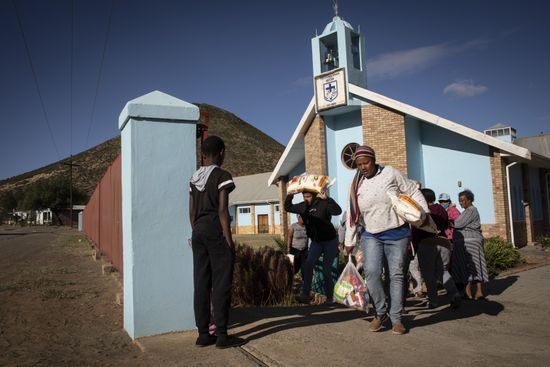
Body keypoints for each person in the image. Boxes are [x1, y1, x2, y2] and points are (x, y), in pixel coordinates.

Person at [344, 145, 428, 335]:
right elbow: (352, 212)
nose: (363, 167)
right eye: (359, 164)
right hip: (370, 234)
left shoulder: (390, 173)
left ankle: (396, 318)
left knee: (396, 275)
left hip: (396, 233)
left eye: (366, 162)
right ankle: (380, 312)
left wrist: (424, 212)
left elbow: (412, 190)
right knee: (372, 273)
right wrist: (349, 240)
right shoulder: (357, 183)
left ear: (374, 160)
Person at [189, 136, 245, 349]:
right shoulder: (222, 175)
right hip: (215, 229)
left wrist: (196, 231)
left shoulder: (195, 177)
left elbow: (191, 211)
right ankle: (222, 335)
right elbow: (222, 210)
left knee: (201, 282)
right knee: (221, 283)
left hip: (198, 231)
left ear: (203, 154)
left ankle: (203, 334)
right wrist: (228, 241)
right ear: (221, 151)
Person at [285, 188, 342, 304]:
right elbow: (288, 207)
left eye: (309, 197)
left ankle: (330, 298)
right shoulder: (302, 206)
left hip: (330, 241)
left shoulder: (323, 204)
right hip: (316, 242)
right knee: (309, 264)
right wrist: (290, 195)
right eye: (304, 197)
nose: (307, 199)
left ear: (314, 196)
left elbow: (337, 211)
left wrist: (328, 199)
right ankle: (306, 294)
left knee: (326, 270)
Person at [413, 188, 461, 309]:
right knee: (443, 270)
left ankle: (433, 301)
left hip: (427, 243)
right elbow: (446, 225)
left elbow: (415, 230)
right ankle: (454, 293)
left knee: (428, 274)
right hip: (444, 242)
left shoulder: (421, 211)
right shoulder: (441, 209)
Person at [451, 189, 489, 300]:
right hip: (465, 243)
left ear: (470, 200)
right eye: (459, 201)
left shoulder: (471, 210)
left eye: (463, 200)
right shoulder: (466, 211)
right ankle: (468, 292)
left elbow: (458, 223)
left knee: (473, 266)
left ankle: (478, 292)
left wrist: (447, 219)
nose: (461, 203)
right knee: (466, 267)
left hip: (470, 242)